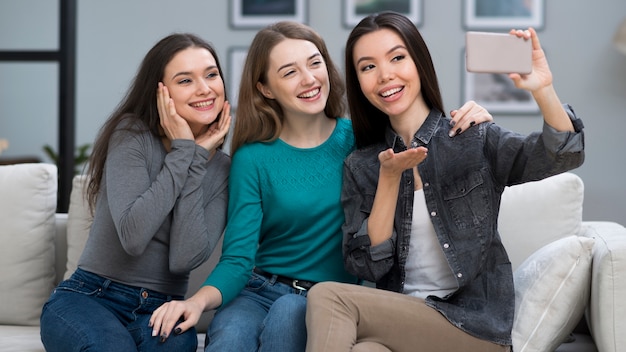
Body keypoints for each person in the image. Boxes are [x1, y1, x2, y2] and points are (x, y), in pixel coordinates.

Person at [149, 21, 493, 352]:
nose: (309, 79)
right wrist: (195, 302)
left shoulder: (364, 141)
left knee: (288, 317)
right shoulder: (252, 158)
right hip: (259, 290)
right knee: (230, 337)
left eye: (315, 64)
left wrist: (472, 116)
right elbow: (238, 258)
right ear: (265, 88)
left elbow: (422, 133)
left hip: (332, 300)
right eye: (289, 72)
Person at [305, 11, 585, 352]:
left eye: (397, 57)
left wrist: (543, 89)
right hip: (404, 320)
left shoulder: (471, 137)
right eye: (368, 67)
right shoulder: (362, 165)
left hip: (473, 326)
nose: (385, 75)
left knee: (327, 296)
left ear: (418, 62)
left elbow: (562, 155)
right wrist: (389, 179)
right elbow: (367, 265)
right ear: (359, 82)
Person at [39, 33, 232, 352]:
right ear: (161, 93)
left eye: (211, 74)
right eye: (186, 80)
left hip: (163, 309)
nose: (204, 89)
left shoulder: (224, 170)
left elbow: (183, 259)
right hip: (90, 298)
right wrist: (185, 151)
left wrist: (196, 160)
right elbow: (134, 235)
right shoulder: (131, 136)